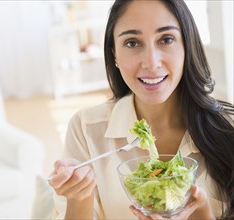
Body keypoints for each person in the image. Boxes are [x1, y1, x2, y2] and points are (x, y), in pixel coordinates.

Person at [48, 0, 234, 219]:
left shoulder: (228, 128)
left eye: (166, 39)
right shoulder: (86, 129)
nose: (151, 63)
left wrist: (202, 214)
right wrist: (78, 196)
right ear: (114, 54)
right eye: (132, 43)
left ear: (187, 46)